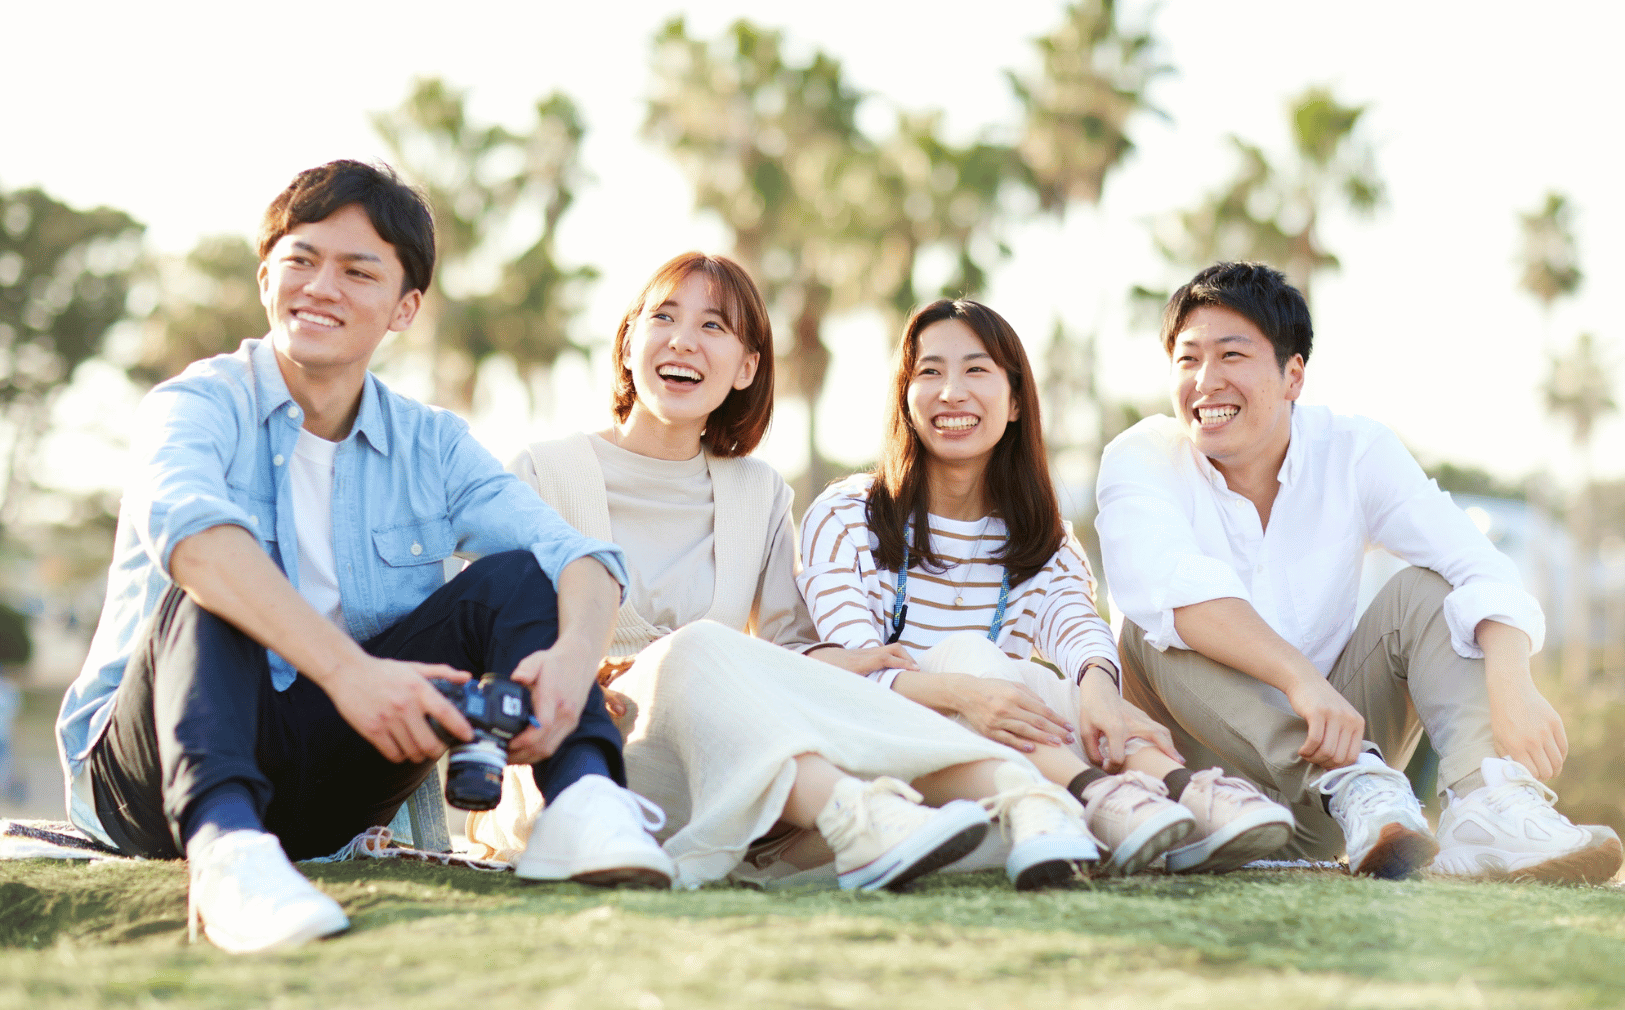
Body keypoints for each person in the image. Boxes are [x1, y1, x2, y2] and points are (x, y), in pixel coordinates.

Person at [55, 161, 654, 954]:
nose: (320, 286)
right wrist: (351, 672)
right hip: (155, 772)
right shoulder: (197, 404)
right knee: (217, 585)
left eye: (357, 270)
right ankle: (226, 859)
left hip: (329, 776)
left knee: (519, 578)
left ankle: (580, 798)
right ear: (266, 274)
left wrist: (575, 658)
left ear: (404, 308)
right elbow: (194, 541)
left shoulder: (431, 443)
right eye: (301, 260)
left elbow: (578, 556)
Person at [483, 253, 1102, 891]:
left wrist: (880, 666)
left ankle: (1024, 797)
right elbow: (492, 630)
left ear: (748, 367)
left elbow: (791, 659)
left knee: (767, 666)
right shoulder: (545, 472)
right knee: (695, 646)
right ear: (629, 342)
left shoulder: (758, 493)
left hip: (726, 764)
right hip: (592, 765)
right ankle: (865, 819)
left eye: (713, 327)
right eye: (663, 317)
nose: (683, 340)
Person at [1095, 260, 1623, 882]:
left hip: (1345, 808)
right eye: (1188, 360)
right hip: (1206, 802)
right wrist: (1301, 681)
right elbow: (1170, 588)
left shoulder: (1353, 450)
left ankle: (1488, 809)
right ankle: (1354, 783)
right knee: (1155, 629)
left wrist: (1513, 679)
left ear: (1293, 375)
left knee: (1426, 591)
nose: (1206, 382)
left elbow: (1477, 563)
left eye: (1231, 356)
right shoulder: (1141, 458)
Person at [798, 299, 1294, 875]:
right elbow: (858, 674)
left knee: (1071, 692)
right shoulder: (847, 514)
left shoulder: (1042, 538)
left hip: (1004, 758)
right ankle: (1098, 795)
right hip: (881, 764)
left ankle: (1183, 795)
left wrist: (1099, 689)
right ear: (905, 399)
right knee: (976, 659)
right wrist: (964, 691)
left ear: (1014, 403)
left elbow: (1079, 626)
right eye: (929, 372)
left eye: (976, 370)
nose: (951, 392)